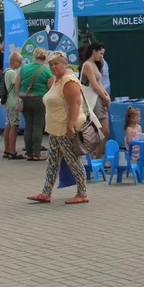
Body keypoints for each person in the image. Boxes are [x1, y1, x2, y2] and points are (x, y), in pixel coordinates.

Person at [27, 52, 88, 204]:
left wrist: (70, 127)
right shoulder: (57, 79)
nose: (53, 67)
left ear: (65, 64)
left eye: (56, 63)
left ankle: (82, 193)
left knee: (72, 160)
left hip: (65, 127)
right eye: (51, 64)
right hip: (56, 127)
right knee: (52, 161)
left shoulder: (68, 80)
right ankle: (46, 192)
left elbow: (76, 104)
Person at [18, 47, 52, 161]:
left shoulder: (23, 68)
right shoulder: (47, 70)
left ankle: (29, 153)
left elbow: (16, 83)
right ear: (45, 57)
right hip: (39, 100)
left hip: (24, 99)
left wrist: (20, 95)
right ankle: (37, 153)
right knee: (38, 126)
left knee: (28, 125)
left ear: (34, 56)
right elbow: (51, 88)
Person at [79, 42, 110, 154]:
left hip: (98, 99)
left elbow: (99, 83)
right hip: (92, 100)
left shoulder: (96, 64)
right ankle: (95, 156)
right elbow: (94, 85)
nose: (102, 56)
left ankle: (98, 156)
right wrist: (105, 96)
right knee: (99, 131)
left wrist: (106, 95)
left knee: (104, 131)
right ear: (94, 51)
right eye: (100, 53)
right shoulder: (87, 65)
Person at [2, 52, 24, 160]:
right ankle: (12, 150)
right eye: (19, 62)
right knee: (14, 126)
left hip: (8, 103)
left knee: (9, 125)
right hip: (13, 102)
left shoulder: (6, 71)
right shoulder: (11, 73)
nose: (20, 64)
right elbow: (16, 87)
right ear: (13, 61)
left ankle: (7, 149)